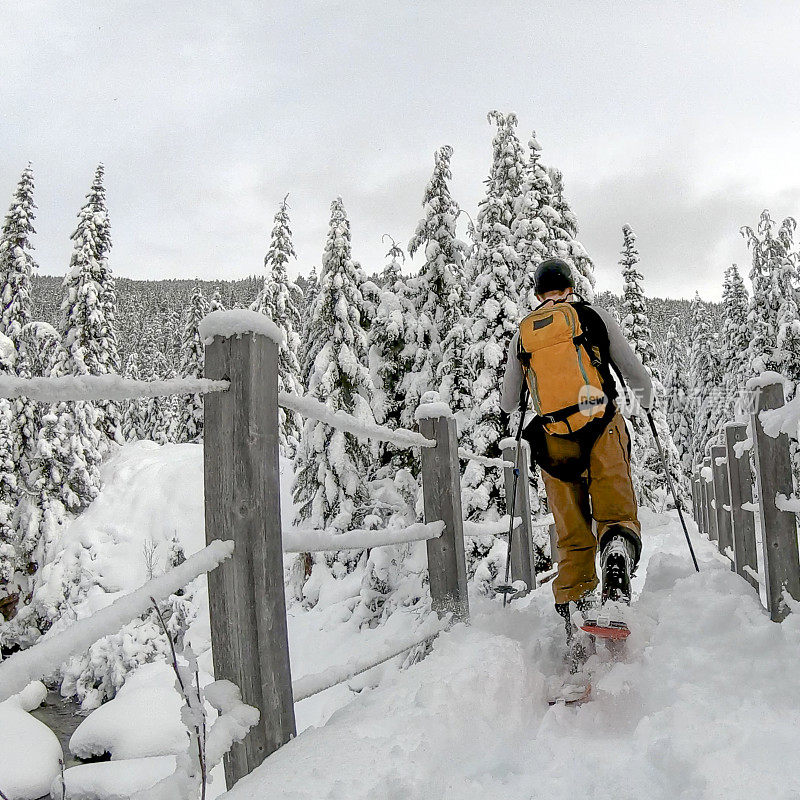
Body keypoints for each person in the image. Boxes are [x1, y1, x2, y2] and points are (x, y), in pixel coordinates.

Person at [500, 257, 653, 670]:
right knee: (615, 513)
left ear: (537, 293)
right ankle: (616, 584)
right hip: (602, 428)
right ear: (571, 286)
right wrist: (647, 402)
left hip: (555, 445)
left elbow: (508, 401)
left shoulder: (523, 336)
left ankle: (578, 636)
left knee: (571, 536)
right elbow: (636, 374)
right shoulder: (593, 317)